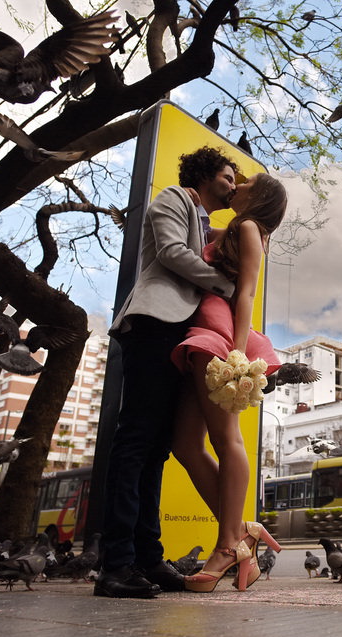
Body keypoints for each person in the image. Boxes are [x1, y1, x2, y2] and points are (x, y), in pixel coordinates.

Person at [95, 147, 241, 599]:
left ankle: (147, 558)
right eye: (228, 176)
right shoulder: (174, 198)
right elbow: (173, 252)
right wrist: (225, 285)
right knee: (136, 441)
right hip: (155, 323)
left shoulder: (204, 222)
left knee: (157, 449)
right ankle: (114, 564)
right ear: (203, 176)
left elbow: (237, 236)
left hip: (181, 333)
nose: (233, 186)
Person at [168, 171, 286, 592]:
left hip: (219, 333)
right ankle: (241, 532)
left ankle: (226, 544)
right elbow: (193, 228)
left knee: (225, 438)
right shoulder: (236, 227)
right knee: (184, 444)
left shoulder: (252, 228)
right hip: (202, 330)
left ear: (262, 195)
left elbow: (248, 293)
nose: (238, 182)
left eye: (248, 181)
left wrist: (236, 353)